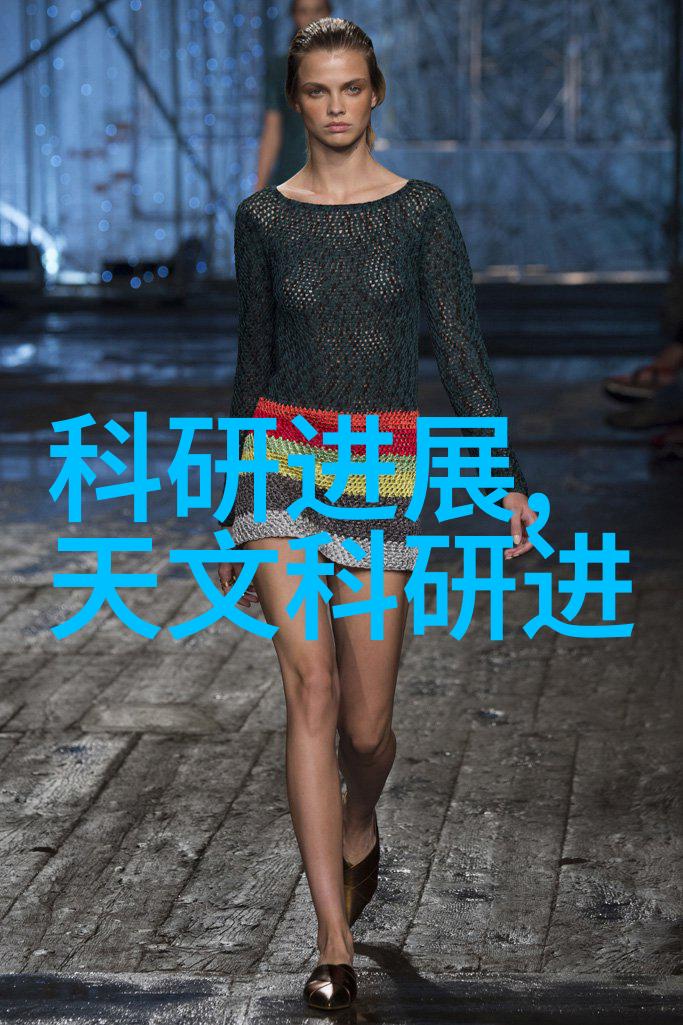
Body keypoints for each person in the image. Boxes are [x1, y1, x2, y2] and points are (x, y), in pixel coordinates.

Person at [217, 16, 537, 1011]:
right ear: (295, 100)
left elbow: (460, 348)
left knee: (365, 727)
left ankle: (361, 817)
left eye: (350, 88)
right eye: (317, 90)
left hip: (382, 474)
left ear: (376, 92)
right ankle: (332, 940)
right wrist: (232, 487)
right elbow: (253, 357)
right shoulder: (263, 218)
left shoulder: (420, 212)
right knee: (308, 688)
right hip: (281, 467)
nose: (335, 106)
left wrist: (504, 478)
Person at [255, 0, 334, 191]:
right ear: (294, 16)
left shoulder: (345, 64)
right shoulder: (280, 69)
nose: (312, 18)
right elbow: (272, 129)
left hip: (338, 172)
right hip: (292, 172)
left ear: (329, 13)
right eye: (304, 11)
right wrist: (258, 189)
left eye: (318, 10)